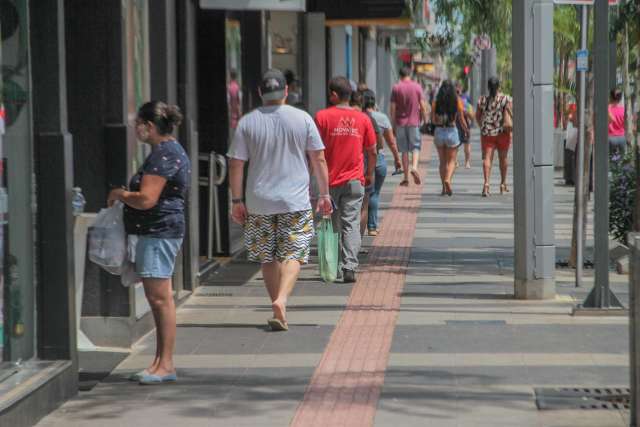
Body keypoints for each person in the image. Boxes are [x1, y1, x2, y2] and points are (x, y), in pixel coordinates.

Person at [227, 69, 332, 331]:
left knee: (267, 257)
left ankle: (277, 305)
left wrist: (236, 200)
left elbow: (236, 164)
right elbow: (318, 158)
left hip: (259, 200)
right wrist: (325, 193)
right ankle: (282, 301)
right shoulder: (303, 118)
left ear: (260, 93)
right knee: (294, 253)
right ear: (287, 91)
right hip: (295, 201)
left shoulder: (247, 122)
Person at [107, 101, 190, 385]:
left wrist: (120, 194)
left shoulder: (164, 155)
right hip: (157, 231)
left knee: (160, 298)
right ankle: (159, 362)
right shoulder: (166, 152)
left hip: (158, 231)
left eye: (138, 125)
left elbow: (146, 199)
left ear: (150, 127)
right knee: (158, 299)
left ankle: (165, 364)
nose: (136, 130)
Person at [315, 76, 376, 283]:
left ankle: (333, 267)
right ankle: (349, 265)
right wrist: (370, 173)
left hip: (329, 182)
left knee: (331, 225)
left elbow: (315, 151)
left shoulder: (322, 117)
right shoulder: (363, 119)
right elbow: (372, 150)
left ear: (334, 94)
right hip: (355, 180)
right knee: (350, 223)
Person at [365, 89, 403, 236]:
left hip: (360, 160)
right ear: (374, 102)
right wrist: (397, 159)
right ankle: (372, 227)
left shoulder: (359, 116)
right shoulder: (381, 118)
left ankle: (355, 229)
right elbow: (391, 141)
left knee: (361, 196)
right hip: (379, 159)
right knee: (374, 193)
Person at [390, 67, 430, 186]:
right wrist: (425, 119)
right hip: (414, 123)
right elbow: (422, 106)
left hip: (400, 123)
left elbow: (392, 109)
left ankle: (406, 178)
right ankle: (415, 167)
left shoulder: (396, 87)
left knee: (404, 150)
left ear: (400, 75)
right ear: (410, 74)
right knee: (415, 147)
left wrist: (393, 124)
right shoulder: (417, 87)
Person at [476, 77, 513, 197]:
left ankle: (486, 184)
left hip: (488, 134)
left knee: (487, 159)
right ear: (499, 86)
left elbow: (477, 116)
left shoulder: (482, 100)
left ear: (488, 87)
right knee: (503, 158)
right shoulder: (506, 99)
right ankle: (502, 184)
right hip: (503, 133)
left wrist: (483, 126)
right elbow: (512, 113)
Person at [432, 80, 468, 196]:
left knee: (442, 162)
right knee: (452, 161)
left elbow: (432, 120)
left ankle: (443, 188)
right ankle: (448, 179)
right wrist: (466, 130)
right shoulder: (457, 101)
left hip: (439, 131)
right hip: (452, 131)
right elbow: (462, 119)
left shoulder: (436, 102)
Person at [456, 82, 473, 169]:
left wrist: (468, 115)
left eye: (459, 87)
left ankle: (467, 162)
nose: (458, 89)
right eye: (457, 87)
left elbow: (470, 110)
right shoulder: (453, 98)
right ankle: (456, 161)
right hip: (456, 124)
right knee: (456, 144)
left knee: (466, 143)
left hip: (464, 122)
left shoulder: (466, 97)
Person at [608, 88, 627, 156]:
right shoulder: (624, 110)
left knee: (609, 161)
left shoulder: (608, 109)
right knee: (621, 162)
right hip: (621, 138)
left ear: (611, 97)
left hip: (610, 138)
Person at [227, 69, 242, 139]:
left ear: (230, 76)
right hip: (236, 115)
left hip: (230, 115)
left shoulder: (229, 87)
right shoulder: (237, 88)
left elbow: (228, 100)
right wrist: (239, 113)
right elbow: (239, 102)